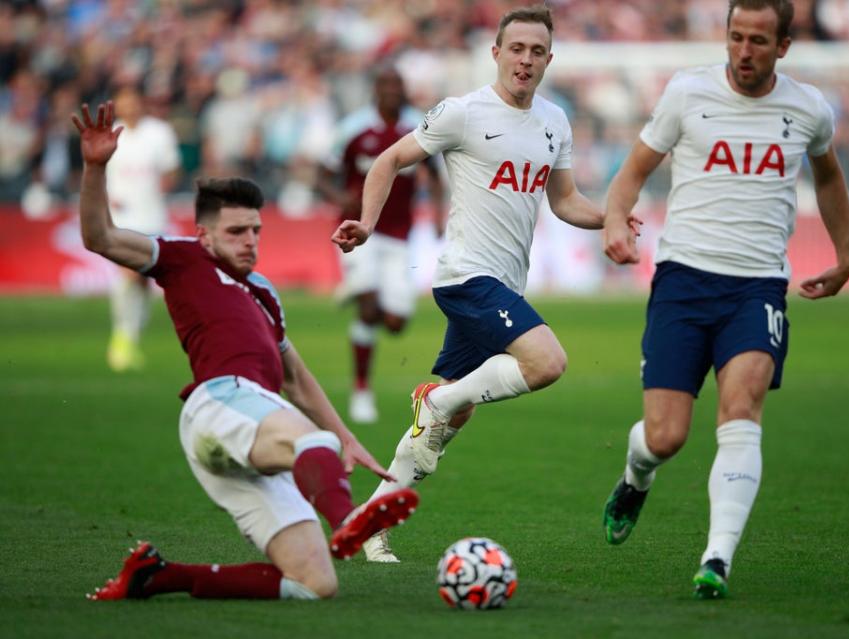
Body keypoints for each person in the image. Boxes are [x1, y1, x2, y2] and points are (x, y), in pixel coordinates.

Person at [73, 102, 418, 601]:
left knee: (314, 584)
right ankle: (353, 520)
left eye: (256, 230)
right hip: (218, 404)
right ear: (204, 235)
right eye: (236, 232)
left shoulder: (263, 293)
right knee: (307, 441)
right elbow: (99, 236)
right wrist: (95, 167)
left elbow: (296, 378)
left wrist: (346, 438)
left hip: (248, 437)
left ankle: (159, 576)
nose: (250, 241)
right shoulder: (181, 259)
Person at [332, 5, 631, 563]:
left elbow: (565, 202)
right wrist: (368, 224)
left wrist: (612, 217)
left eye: (536, 51)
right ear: (495, 53)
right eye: (515, 48)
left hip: (504, 287)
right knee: (546, 362)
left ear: (548, 59)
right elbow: (388, 161)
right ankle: (438, 398)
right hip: (467, 277)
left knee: (446, 424)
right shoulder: (462, 113)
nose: (525, 59)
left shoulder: (554, 121)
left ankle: (366, 524)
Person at [601, 0, 849, 600]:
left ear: (783, 46)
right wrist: (614, 219)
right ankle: (636, 477)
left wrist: (846, 256)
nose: (744, 51)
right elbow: (635, 167)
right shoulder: (687, 94)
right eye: (736, 37)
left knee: (742, 409)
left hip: (757, 286)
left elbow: (830, 177)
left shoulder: (808, 109)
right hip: (683, 282)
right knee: (665, 437)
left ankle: (717, 557)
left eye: (759, 41)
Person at [317, 65, 445, 424]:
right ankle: (361, 391)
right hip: (359, 233)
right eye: (385, 85)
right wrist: (338, 195)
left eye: (397, 85)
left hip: (400, 236)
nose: (391, 91)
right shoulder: (354, 128)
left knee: (395, 321)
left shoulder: (416, 127)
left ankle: (355, 290)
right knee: (370, 311)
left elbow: (434, 174)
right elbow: (321, 173)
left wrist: (436, 212)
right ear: (375, 90)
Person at [103, 85, 180, 372]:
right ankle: (120, 338)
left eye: (134, 101)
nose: (130, 106)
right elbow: (99, 170)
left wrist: (163, 184)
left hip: (152, 215)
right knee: (128, 271)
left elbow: (171, 169)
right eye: (124, 101)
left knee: (144, 279)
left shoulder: (159, 132)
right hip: (121, 217)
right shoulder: (111, 133)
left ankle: (130, 338)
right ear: (118, 106)